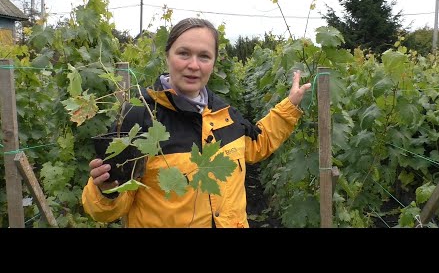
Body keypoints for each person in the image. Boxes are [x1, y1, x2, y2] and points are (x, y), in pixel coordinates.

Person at [82, 17, 311, 228]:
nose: (194, 65)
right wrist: (106, 191)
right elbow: (106, 211)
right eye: (183, 53)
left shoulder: (224, 113)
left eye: (204, 56)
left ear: (213, 62)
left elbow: (257, 144)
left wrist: (289, 106)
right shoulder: (139, 116)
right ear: (167, 55)